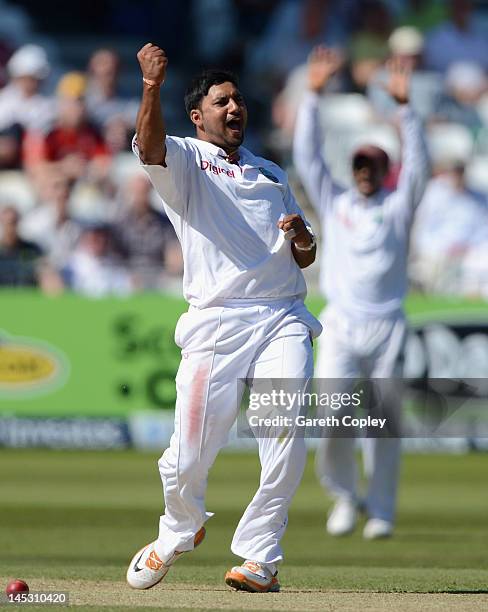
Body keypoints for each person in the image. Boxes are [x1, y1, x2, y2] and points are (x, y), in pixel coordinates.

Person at [126, 43, 321, 593]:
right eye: (221, 102)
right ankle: (179, 530)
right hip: (216, 322)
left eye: (238, 100)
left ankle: (260, 556)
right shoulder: (186, 158)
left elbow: (305, 253)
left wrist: (304, 240)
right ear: (198, 115)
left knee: (283, 426)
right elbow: (149, 146)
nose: (235, 108)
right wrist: (150, 86)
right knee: (188, 455)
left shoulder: (270, 171)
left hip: (282, 314)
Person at [293, 46, 429, 540]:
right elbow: (307, 158)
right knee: (332, 418)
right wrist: (311, 94)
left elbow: (419, 167)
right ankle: (345, 496)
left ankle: (383, 509)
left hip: (388, 321)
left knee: (384, 424)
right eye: (359, 166)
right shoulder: (335, 204)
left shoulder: (398, 207)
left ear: (383, 170)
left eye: (372, 166)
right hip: (343, 322)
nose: (364, 172)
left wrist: (405, 109)